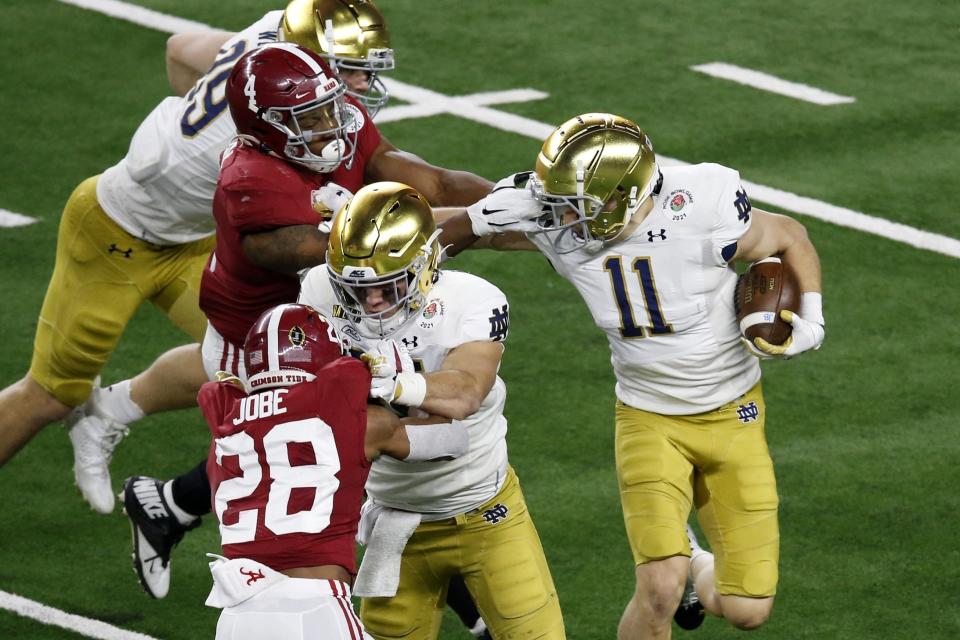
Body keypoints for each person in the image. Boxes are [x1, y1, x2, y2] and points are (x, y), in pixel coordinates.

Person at [56, 0, 490, 516]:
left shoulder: (316, 106)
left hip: (271, 282)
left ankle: (135, 448)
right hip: (235, 299)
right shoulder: (253, 175)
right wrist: (487, 223)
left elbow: (180, 49)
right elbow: (343, 252)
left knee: (315, 432)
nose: (352, 97)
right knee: (299, 455)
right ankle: (174, 506)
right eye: (346, 72)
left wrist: (516, 206)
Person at [441, 113, 826, 638]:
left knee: (746, 611)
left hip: (734, 413)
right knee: (659, 590)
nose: (564, 219)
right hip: (647, 418)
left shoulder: (701, 209)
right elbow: (460, 228)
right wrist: (359, 228)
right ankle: (677, 568)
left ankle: (697, 564)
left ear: (621, 195)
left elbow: (791, 236)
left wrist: (814, 322)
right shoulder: (559, 222)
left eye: (579, 206)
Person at [0, 0, 401, 494]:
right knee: (50, 395)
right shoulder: (260, 139)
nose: (359, 87)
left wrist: (193, 120)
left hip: (197, 239)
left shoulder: (269, 54)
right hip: (112, 238)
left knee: (261, 356)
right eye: (351, 72)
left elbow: (181, 52)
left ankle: (110, 416)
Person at [297, 181, 566, 639]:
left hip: (485, 512)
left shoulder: (470, 299)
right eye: (357, 289)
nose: (372, 302)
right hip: (394, 521)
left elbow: (464, 393)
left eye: (386, 285)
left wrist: (395, 381)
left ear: (423, 266)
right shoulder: (320, 290)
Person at [183, 302, 469, 639]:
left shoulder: (227, 424)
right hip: (315, 608)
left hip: (237, 615)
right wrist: (399, 387)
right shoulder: (358, 422)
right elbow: (453, 440)